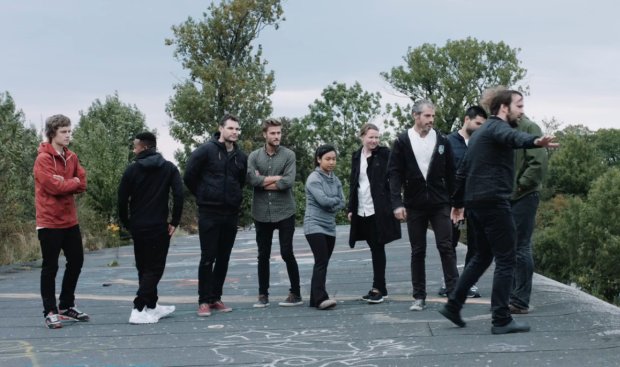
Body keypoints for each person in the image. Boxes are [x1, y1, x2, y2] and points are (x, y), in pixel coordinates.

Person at [438, 90, 558, 334]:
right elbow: (512, 137)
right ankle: (501, 319)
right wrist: (535, 141)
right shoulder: (496, 128)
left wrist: (459, 203)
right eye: (519, 105)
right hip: (494, 202)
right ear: (504, 107)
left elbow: (462, 171)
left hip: (477, 203)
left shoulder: (481, 132)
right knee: (507, 258)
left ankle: (454, 305)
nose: (522, 110)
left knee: (482, 256)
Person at [388, 100, 459, 311]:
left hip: (440, 203)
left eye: (433, 117)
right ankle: (419, 296)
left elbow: (452, 173)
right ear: (415, 116)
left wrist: (457, 202)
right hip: (414, 203)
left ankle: (454, 294)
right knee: (418, 250)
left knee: (446, 247)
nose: (431, 120)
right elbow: (394, 173)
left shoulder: (442, 140)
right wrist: (397, 203)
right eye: (427, 116)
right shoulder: (402, 141)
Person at [184, 114, 248, 317]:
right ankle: (203, 301)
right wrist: (204, 195)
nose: (234, 132)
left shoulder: (240, 157)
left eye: (237, 129)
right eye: (231, 128)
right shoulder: (205, 151)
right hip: (209, 211)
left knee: (224, 258)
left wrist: (233, 198)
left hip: (230, 213)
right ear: (221, 128)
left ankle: (215, 298)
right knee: (208, 257)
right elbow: (189, 176)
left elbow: (241, 181)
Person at [118, 132, 184, 324]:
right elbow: (179, 195)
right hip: (158, 227)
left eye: (135, 146)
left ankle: (152, 306)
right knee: (155, 269)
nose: (133, 149)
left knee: (144, 268)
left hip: (138, 226)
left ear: (144, 147)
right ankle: (138, 308)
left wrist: (127, 223)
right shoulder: (169, 168)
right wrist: (175, 221)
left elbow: (121, 200)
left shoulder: (132, 170)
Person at [34, 114, 89, 329]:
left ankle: (66, 306)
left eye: (69, 131)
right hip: (49, 221)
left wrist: (69, 181)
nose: (68, 135)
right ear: (52, 133)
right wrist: (69, 182)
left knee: (76, 261)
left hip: (69, 220)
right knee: (50, 266)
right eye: (63, 132)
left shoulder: (71, 157)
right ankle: (50, 311)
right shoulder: (43, 159)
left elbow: (82, 184)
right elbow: (53, 188)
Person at [247, 118, 302, 308]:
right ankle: (263, 295)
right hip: (261, 212)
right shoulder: (254, 156)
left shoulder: (289, 155)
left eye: (279, 133)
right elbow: (252, 181)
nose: (277, 136)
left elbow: (288, 182)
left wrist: (264, 181)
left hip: (285, 211)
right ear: (265, 134)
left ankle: (295, 292)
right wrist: (275, 179)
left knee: (287, 252)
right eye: (273, 133)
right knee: (263, 254)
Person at [348, 123, 401, 304]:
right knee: (374, 247)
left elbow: (395, 177)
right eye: (371, 137)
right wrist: (350, 208)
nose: (374, 140)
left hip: (379, 208)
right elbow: (353, 183)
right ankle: (382, 287)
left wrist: (395, 203)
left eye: (377, 137)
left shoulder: (385, 154)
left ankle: (377, 288)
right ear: (362, 136)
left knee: (378, 247)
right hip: (361, 208)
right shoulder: (356, 156)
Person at [439, 106, 488, 298]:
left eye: (482, 125)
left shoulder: (482, 143)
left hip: (476, 201)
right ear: (466, 119)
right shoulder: (448, 142)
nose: (479, 128)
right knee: (449, 243)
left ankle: (470, 282)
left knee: (476, 244)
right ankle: (449, 281)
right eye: (477, 123)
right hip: (452, 202)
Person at [509, 114, 548, 314]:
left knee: (521, 246)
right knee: (510, 246)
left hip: (524, 195)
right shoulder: (506, 129)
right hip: (510, 196)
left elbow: (537, 164)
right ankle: (512, 296)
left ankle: (520, 300)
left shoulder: (529, 127)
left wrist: (519, 187)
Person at [304, 144, 345, 310]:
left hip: (330, 226)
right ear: (319, 159)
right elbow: (324, 201)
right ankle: (321, 298)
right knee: (321, 261)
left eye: (334, 159)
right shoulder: (314, 178)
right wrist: (333, 201)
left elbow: (341, 201)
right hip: (314, 225)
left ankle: (315, 299)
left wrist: (333, 202)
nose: (331, 162)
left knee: (323, 262)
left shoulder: (335, 179)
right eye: (328, 159)